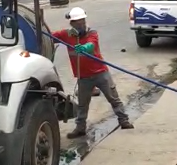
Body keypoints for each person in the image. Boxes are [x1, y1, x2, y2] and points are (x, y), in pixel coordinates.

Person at [52, 7, 134, 138]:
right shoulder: (66, 35)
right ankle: (80, 128)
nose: (81, 25)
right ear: (71, 23)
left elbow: (91, 44)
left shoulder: (92, 33)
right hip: (83, 77)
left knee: (113, 99)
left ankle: (124, 121)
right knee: (82, 105)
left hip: (100, 73)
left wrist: (84, 48)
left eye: (82, 22)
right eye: (77, 23)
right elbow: (48, 36)